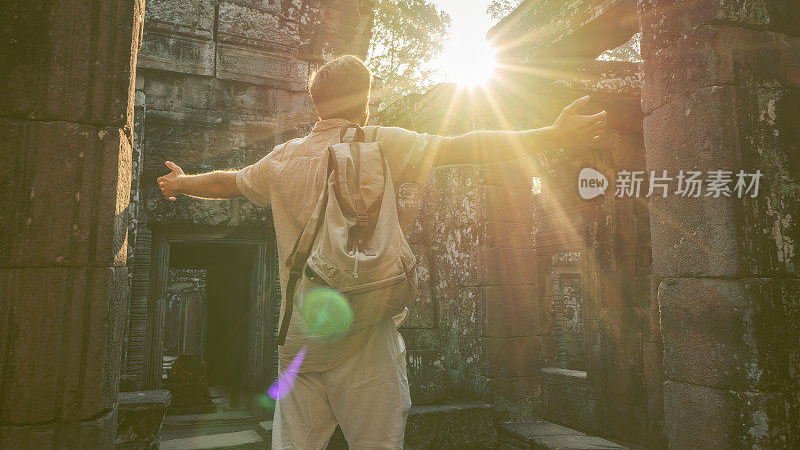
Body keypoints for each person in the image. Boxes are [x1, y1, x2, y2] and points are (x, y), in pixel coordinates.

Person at [157, 55, 606, 449]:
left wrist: (181, 183)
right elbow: (466, 146)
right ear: (365, 100)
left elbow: (230, 182)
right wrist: (552, 132)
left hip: (298, 341)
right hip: (366, 332)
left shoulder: (283, 158)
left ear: (316, 102)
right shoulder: (380, 142)